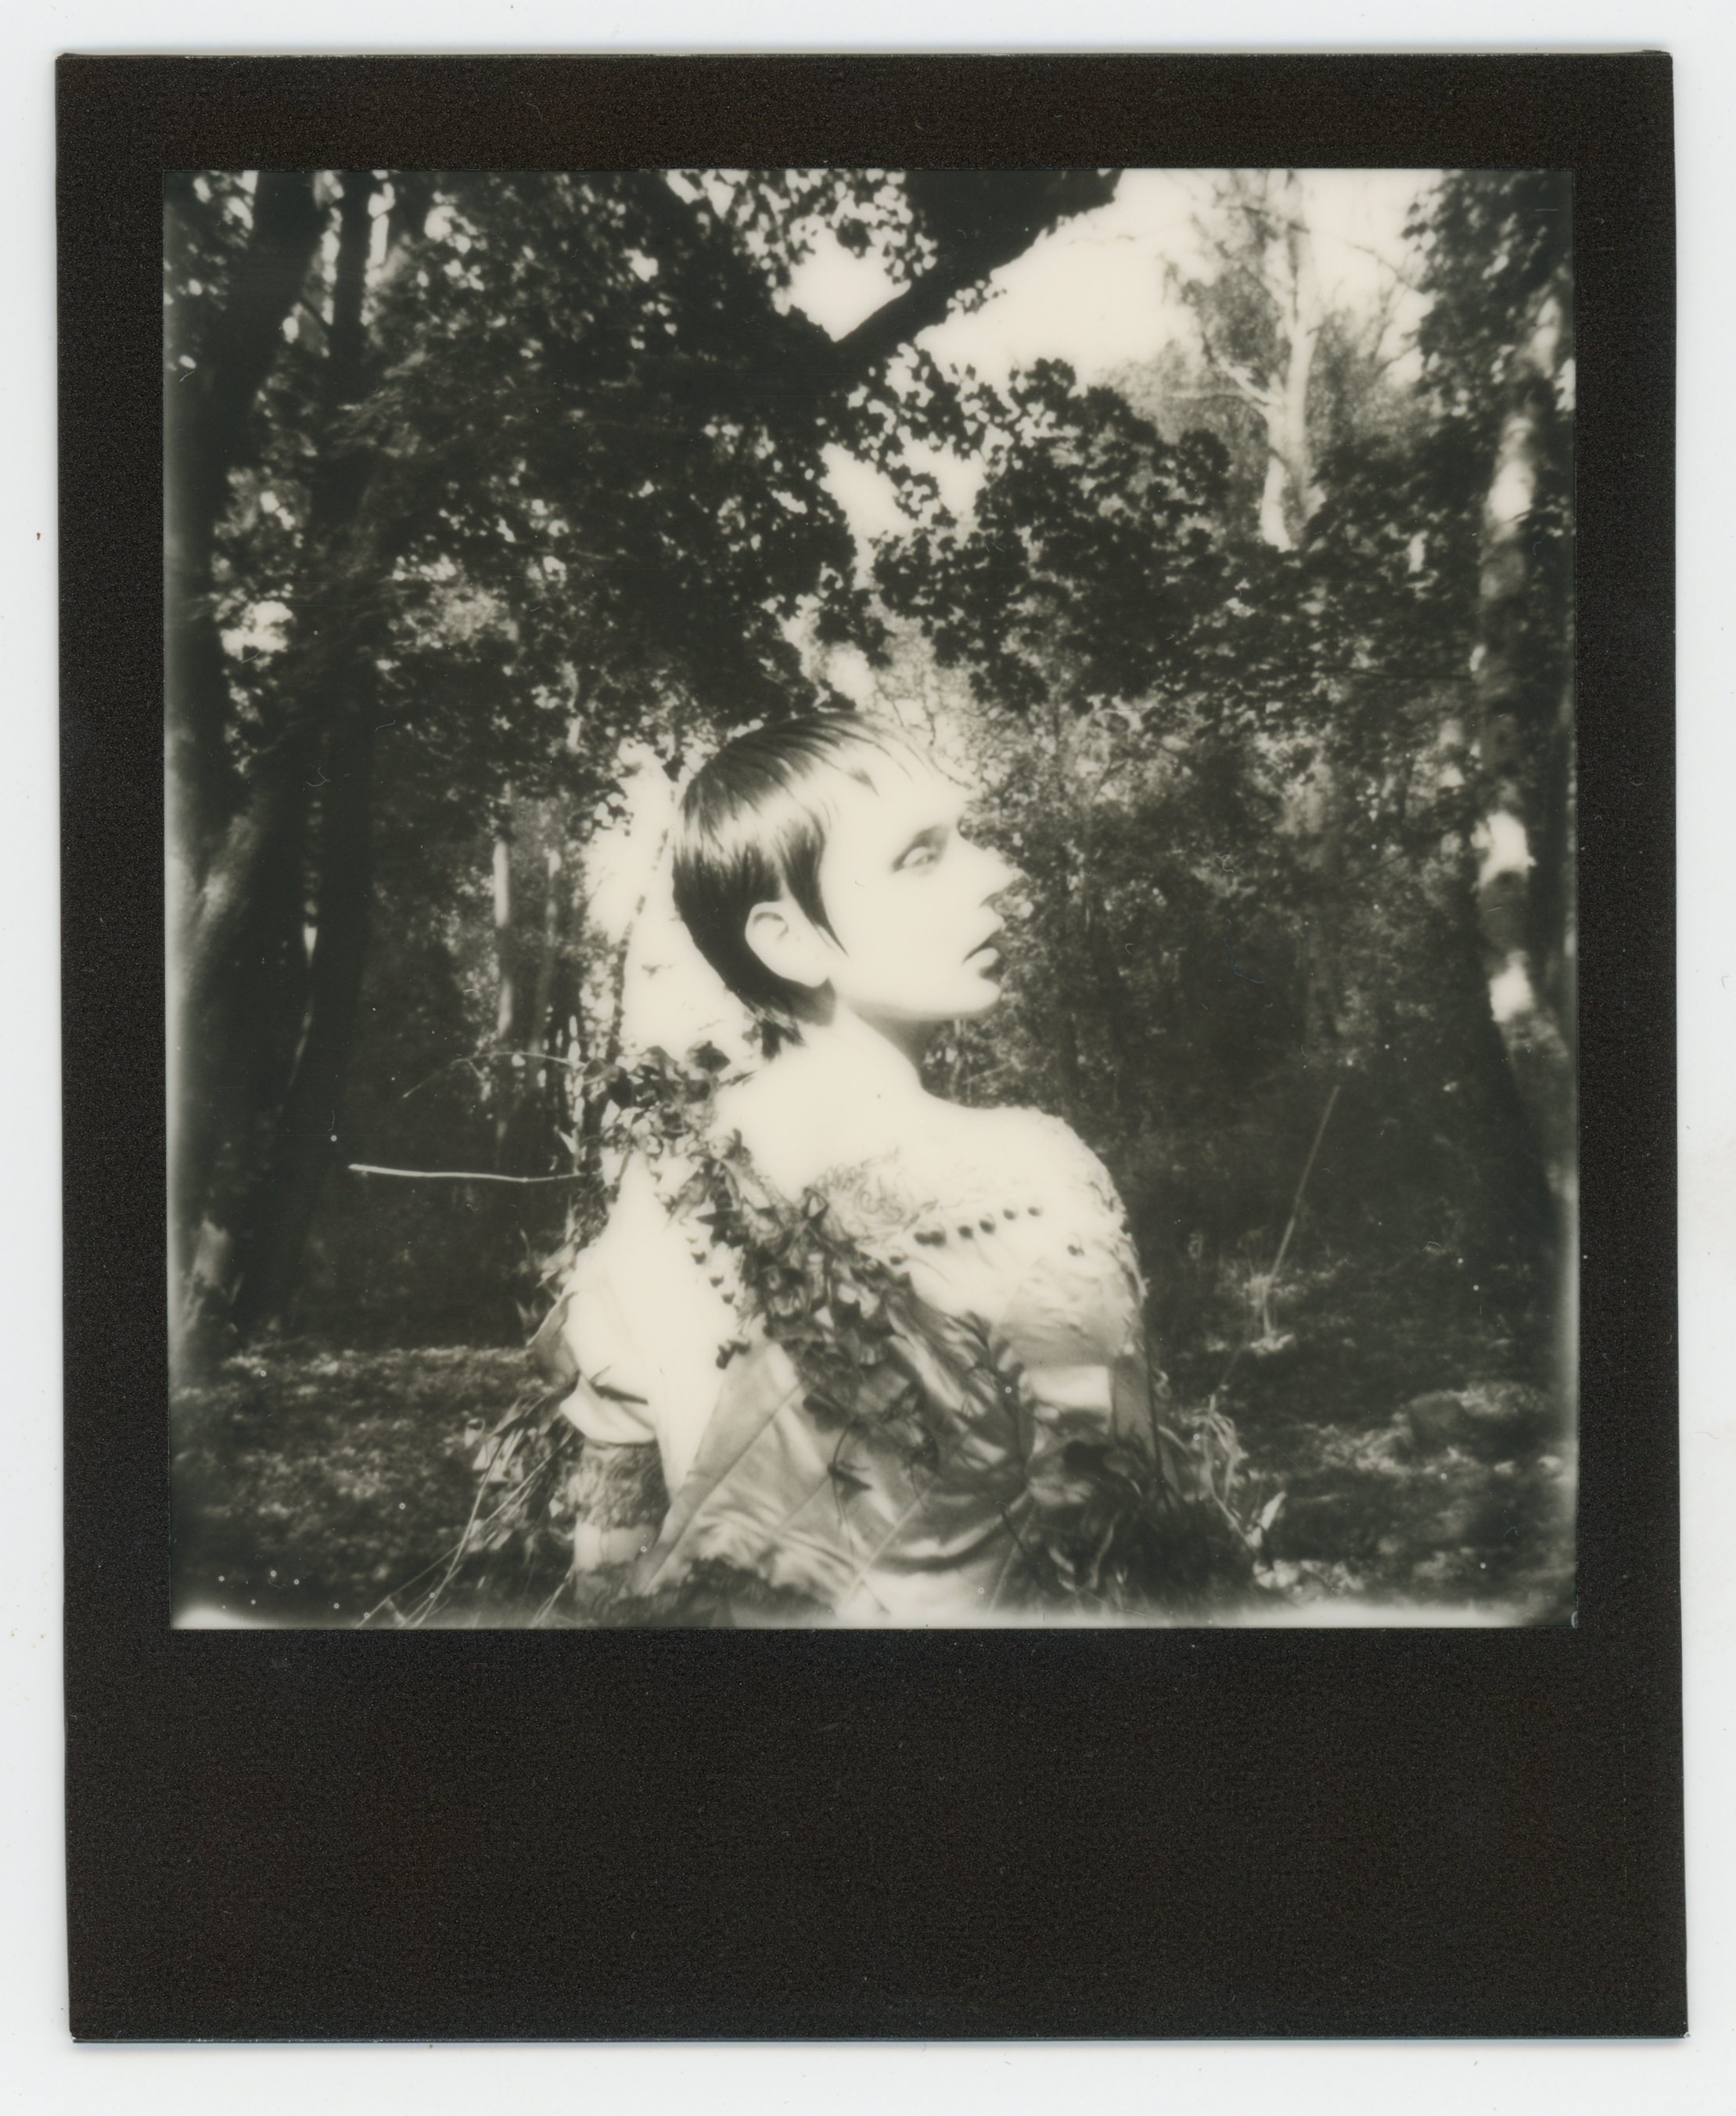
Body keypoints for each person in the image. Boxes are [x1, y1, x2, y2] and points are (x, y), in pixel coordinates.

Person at [532, 711, 1242, 1625]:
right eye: (922, 855)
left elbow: (611, 1497)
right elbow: (1115, 1550)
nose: (998, 874)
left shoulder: (658, 1178)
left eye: (968, 839)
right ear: (788, 939)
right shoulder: (1023, 1177)